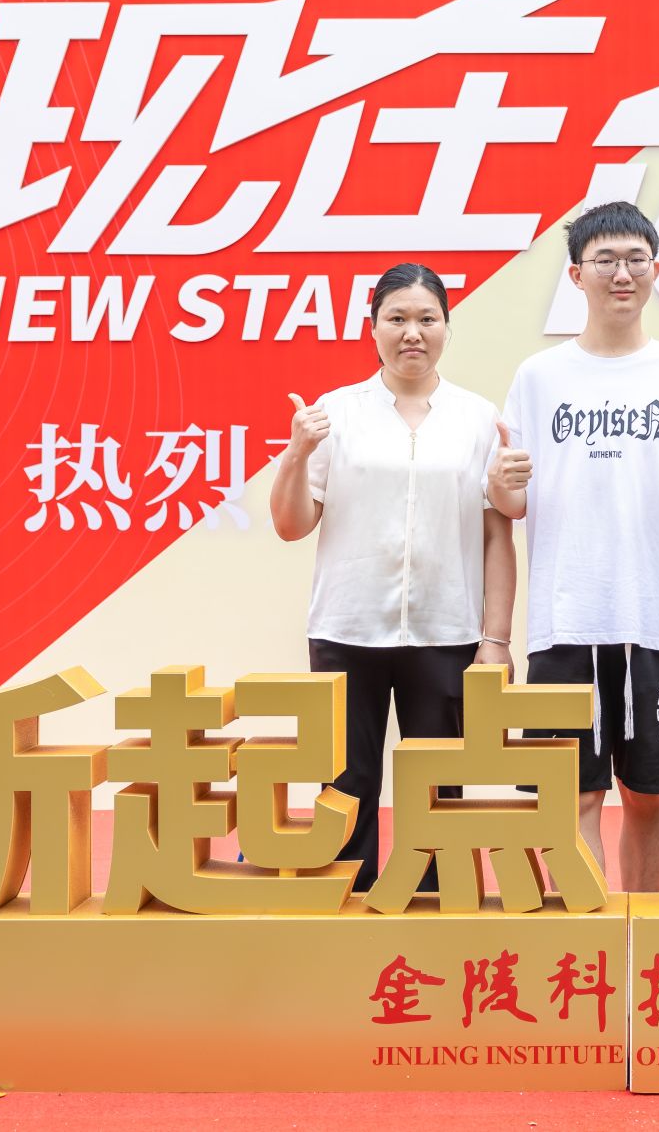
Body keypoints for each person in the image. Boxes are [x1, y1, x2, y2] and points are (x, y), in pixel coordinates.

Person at [488, 201, 659, 892]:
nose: (621, 273)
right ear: (576, 274)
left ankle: (644, 937)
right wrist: (502, 482)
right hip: (564, 619)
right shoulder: (540, 375)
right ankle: (590, 937)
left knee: (651, 794)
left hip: (654, 617)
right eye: (604, 260)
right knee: (572, 797)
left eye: (635, 259)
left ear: (656, 270)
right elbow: (510, 502)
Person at [271, 263, 515, 892]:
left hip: (446, 632)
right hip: (347, 628)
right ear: (373, 327)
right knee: (345, 786)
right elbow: (291, 524)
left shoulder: (478, 418)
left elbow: (497, 535)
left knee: (438, 790)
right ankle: (348, 912)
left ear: (447, 328)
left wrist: (495, 639)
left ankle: (431, 914)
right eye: (397, 318)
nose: (413, 332)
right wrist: (296, 453)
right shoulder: (336, 413)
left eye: (427, 318)